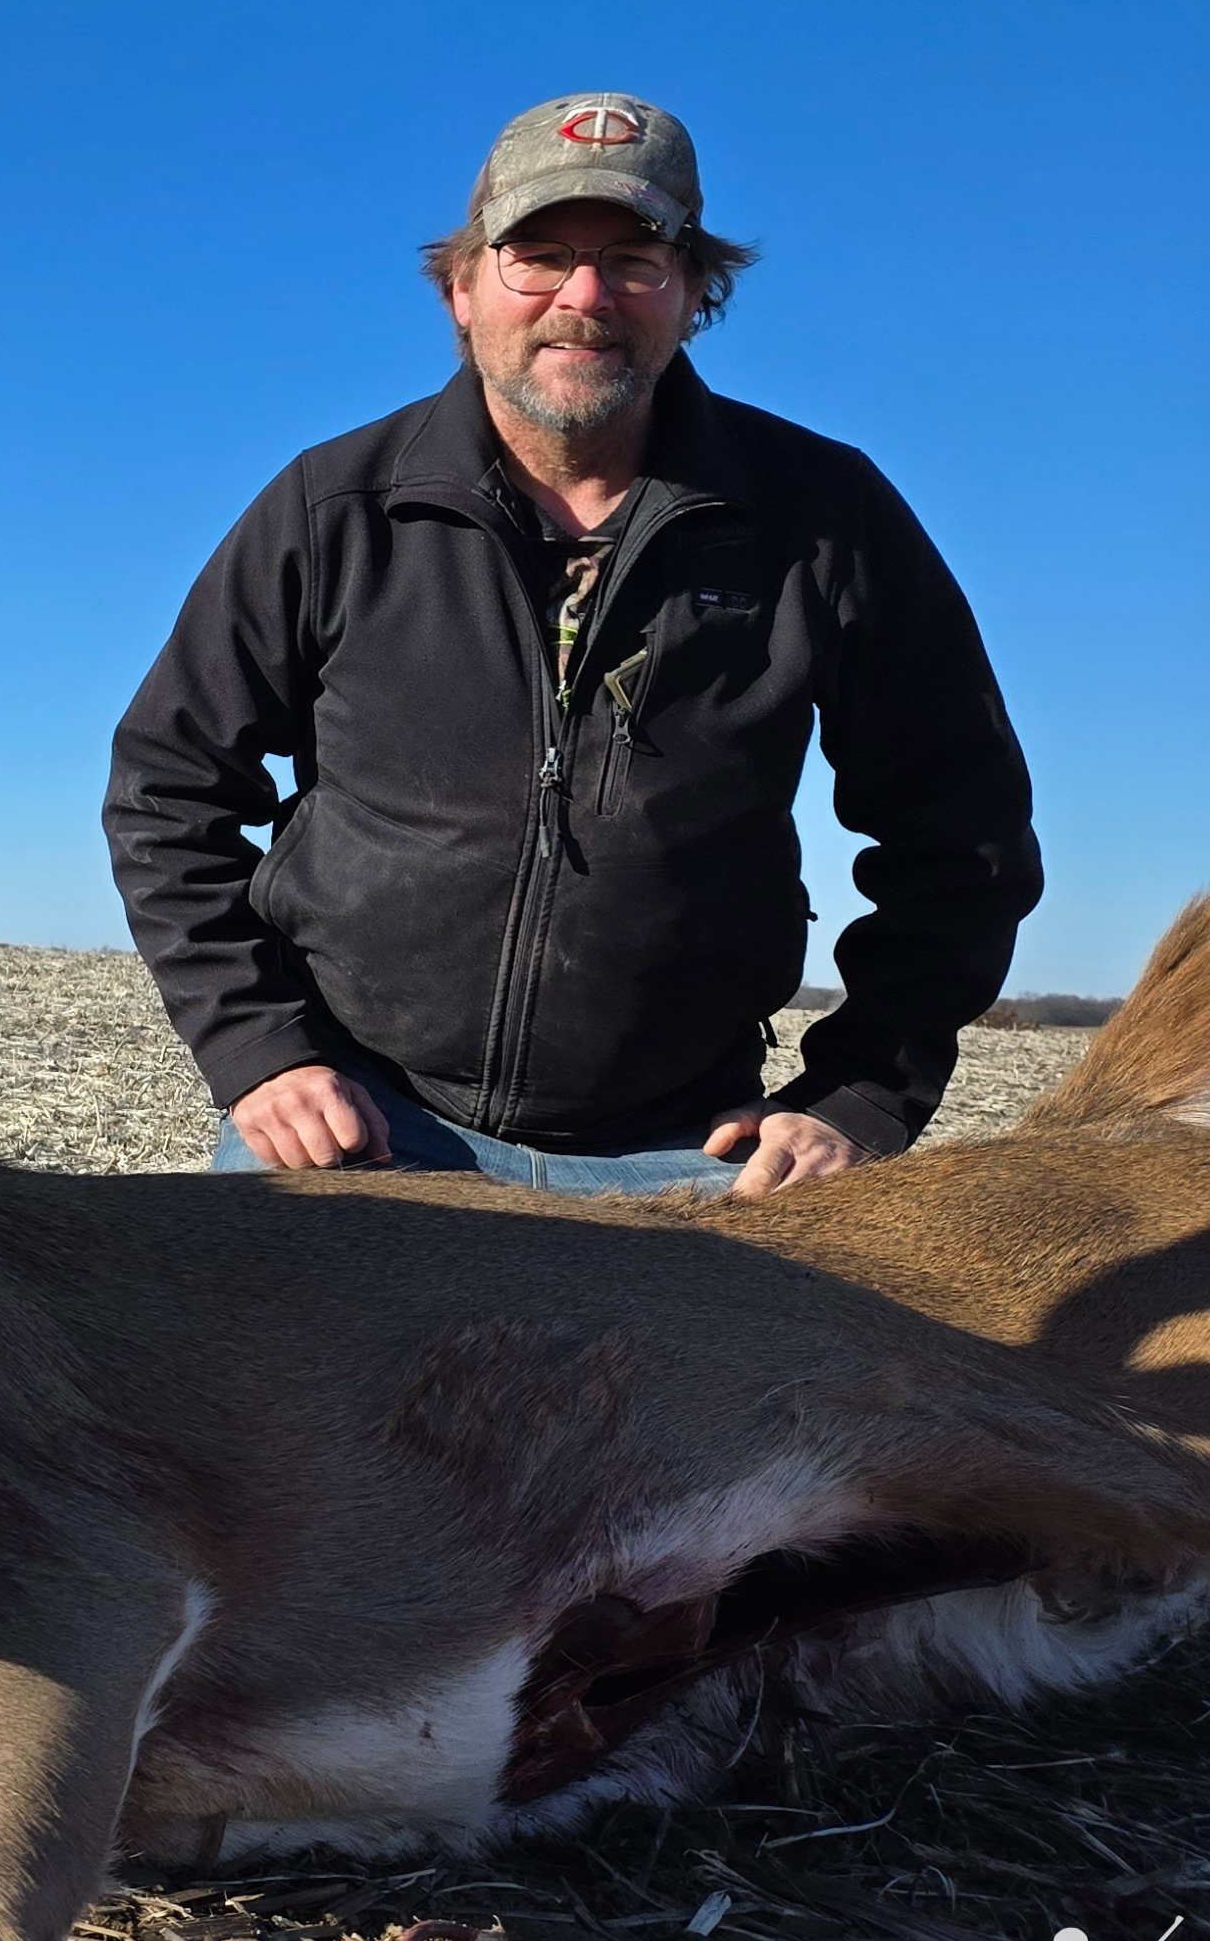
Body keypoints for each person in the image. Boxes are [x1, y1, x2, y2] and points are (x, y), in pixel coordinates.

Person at [104, 91, 1040, 1199]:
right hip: (359, 1124)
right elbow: (167, 788)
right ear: (460, 287)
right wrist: (261, 1054)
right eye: (536, 256)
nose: (583, 298)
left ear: (695, 294)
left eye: (634, 260)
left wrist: (860, 1095)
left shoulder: (823, 517)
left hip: (688, 1159)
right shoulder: (335, 504)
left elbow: (962, 836)